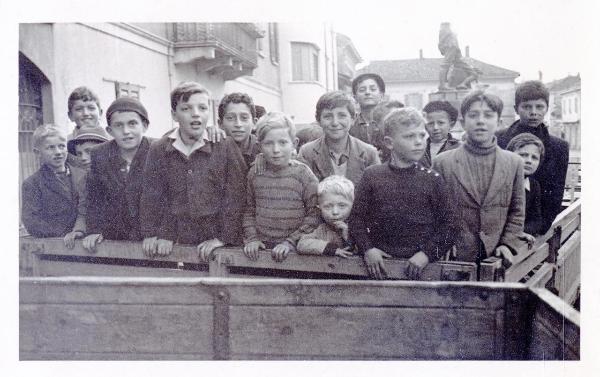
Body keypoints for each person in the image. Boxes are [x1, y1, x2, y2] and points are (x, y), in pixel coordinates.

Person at [140, 82, 247, 260]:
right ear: (174, 114)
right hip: (178, 241)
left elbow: (236, 196)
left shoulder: (224, 146)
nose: (196, 114)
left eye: (202, 108)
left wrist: (222, 237)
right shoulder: (159, 149)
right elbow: (152, 194)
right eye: (186, 108)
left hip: (218, 242)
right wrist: (156, 233)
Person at [349, 108, 457, 280]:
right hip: (379, 268)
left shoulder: (433, 179)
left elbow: (450, 226)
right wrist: (367, 249)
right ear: (389, 143)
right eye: (409, 136)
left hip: (421, 270)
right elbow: (356, 219)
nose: (418, 142)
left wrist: (427, 255)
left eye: (422, 136)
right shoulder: (372, 175)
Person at [433, 91, 527, 266]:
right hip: (455, 256)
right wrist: (443, 242)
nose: (480, 121)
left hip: (496, 256)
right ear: (462, 122)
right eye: (473, 115)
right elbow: (434, 211)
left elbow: (517, 210)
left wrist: (508, 244)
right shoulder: (443, 162)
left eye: (488, 115)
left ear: (499, 122)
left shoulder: (514, 162)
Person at [242, 112, 320, 262]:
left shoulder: (304, 174)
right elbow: (249, 210)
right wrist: (252, 239)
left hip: (295, 252)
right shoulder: (254, 173)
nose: (276, 149)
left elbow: (315, 214)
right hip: (262, 250)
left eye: (283, 143)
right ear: (259, 146)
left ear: (295, 144)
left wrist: (290, 241)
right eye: (268, 143)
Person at [496, 80, 569, 234]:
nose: (533, 112)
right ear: (516, 109)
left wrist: (536, 229)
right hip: (497, 227)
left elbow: (555, 196)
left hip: (535, 230)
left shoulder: (558, 147)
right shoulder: (498, 139)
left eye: (539, 107)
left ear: (547, 109)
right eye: (527, 107)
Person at [82, 97, 154, 252]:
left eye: (132, 123)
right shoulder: (99, 154)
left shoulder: (158, 150)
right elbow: (95, 198)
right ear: (109, 131)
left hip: (152, 240)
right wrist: (94, 230)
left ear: (145, 126)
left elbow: (168, 197)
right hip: (114, 238)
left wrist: (159, 233)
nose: (126, 131)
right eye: (118, 125)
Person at [21, 124, 87, 248]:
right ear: (37, 152)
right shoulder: (33, 183)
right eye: (50, 148)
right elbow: (32, 222)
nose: (58, 152)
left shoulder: (82, 175)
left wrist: (80, 231)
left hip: (85, 240)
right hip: (57, 246)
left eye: (61, 146)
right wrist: (65, 233)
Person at [297, 91, 380, 187]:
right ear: (319, 120)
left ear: (353, 118)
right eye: (328, 116)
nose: (335, 122)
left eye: (342, 115)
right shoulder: (307, 153)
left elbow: (376, 193)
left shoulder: (369, 153)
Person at [297, 176, 355, 258]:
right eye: (328, 206)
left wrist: (347, 237)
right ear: (319, 208)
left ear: (352, 206)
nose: (335, 212)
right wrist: (332, 249)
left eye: (342, 206)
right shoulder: (322, 229)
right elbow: (302, 244)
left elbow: (363, 251)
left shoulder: (357, 228)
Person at [507, 133, 545, 237]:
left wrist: (521, 232)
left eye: (534, 158)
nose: (529, 161)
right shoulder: (499, 182)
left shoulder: (534, 185)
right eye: (523, 155)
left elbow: (536, 221)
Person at [217, 92, 260, 168]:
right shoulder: (215, 150)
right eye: (230, 118)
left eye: (244, 118)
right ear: (220, 124)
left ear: (254, 123)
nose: (238, 124)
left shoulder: (263, 149)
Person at [420, 100, 461, 168]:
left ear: (451, 125)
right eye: (430, 123)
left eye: (441, 123)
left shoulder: (458, 148)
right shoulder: (420, 147)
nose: (435, 127)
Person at [437, 22, 478, 90]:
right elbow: (441, 41)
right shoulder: (445, 29)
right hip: (451, 46)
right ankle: (442, 85)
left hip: (456, 50)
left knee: (474, 74)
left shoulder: (449, 31)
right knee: (445, 65)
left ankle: (462, 84)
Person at [348, 73, 386, 146]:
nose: (367, 92)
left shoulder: (388, 122)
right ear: (355, 97)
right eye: (362, 90)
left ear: (382, 95)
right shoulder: (350, 125)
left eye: (373, 89)